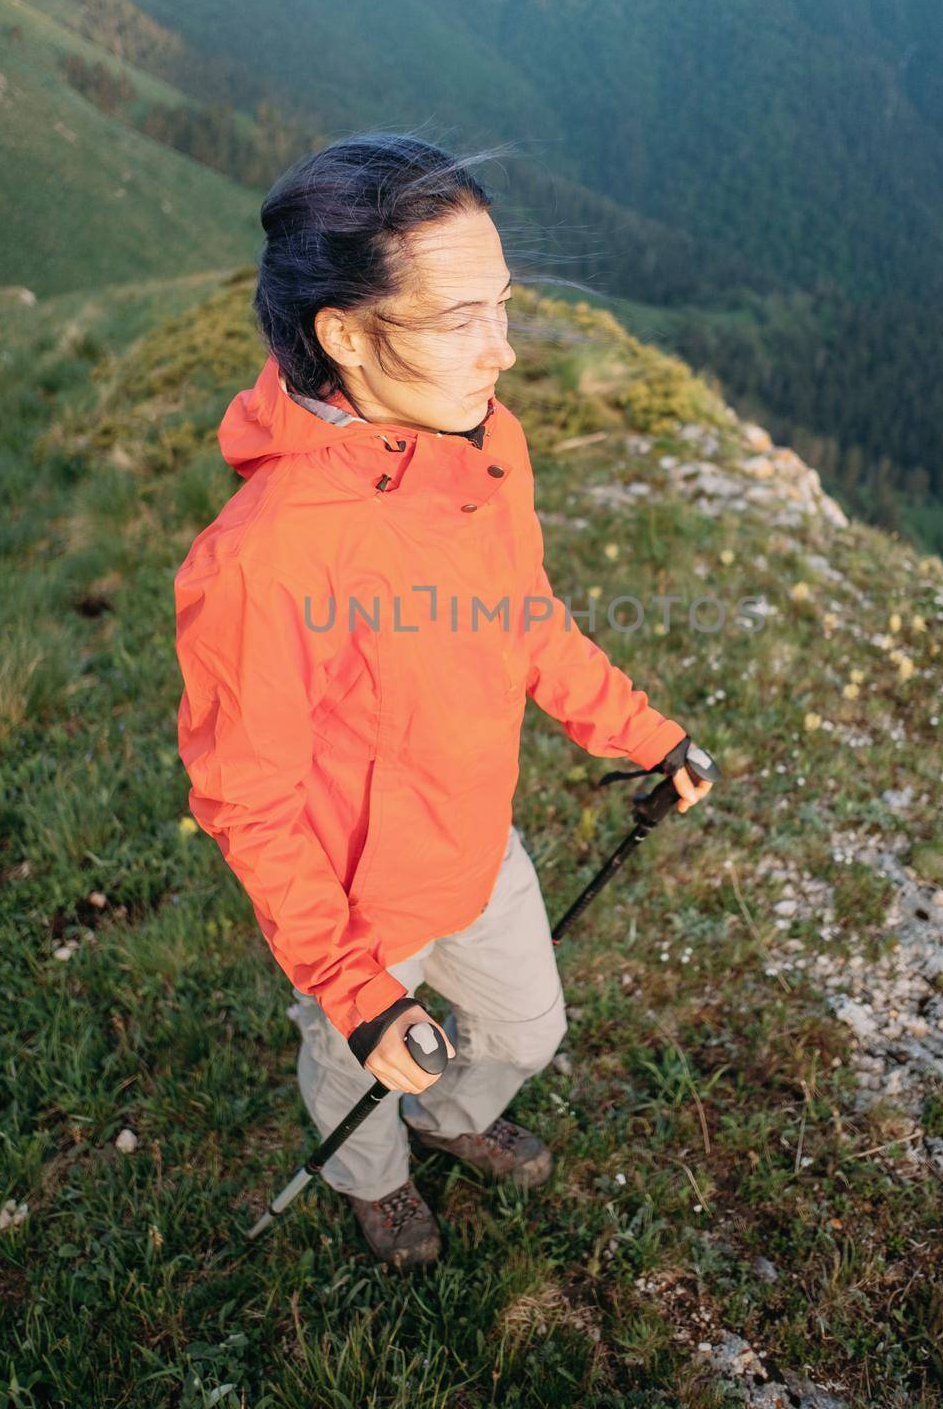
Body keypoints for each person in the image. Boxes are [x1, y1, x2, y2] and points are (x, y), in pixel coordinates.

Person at [173, 133, 715, 1270]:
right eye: (459, 317)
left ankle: (448, 1116)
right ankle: (374, 1179)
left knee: (527, 1027)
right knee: (352, 1057)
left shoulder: (484, 451)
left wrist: (645, 734)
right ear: (345, 335)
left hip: (477, 847)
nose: (503, 351)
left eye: (503, 306)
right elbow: (251, 804)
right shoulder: (266, 558)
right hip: (360, 899)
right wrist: (351, 988)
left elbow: (526, 621)